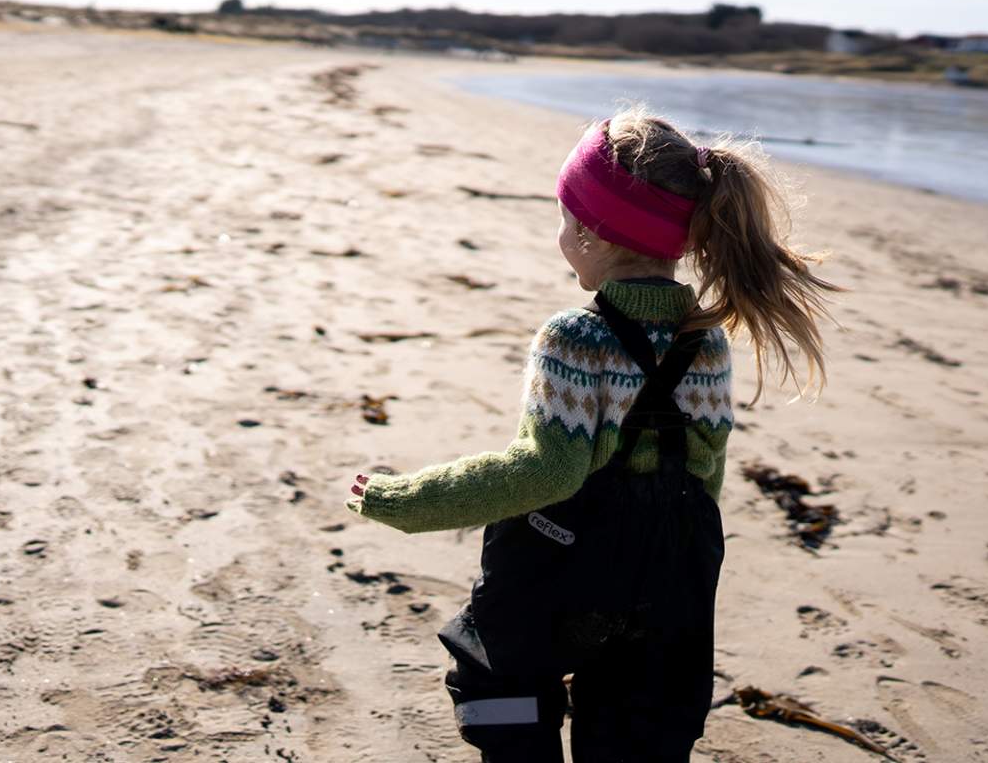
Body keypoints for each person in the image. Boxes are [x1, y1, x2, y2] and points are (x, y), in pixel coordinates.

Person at [346, 104, 838, 762]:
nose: (561, 234)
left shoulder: (575, 337)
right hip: (670, 579)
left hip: (563, 571)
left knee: (499, 678)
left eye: (565, 219)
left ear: (593, 234)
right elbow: (704, 475)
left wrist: (408, 501)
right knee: (641, 725)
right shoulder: (708, 341)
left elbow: (545, 472)